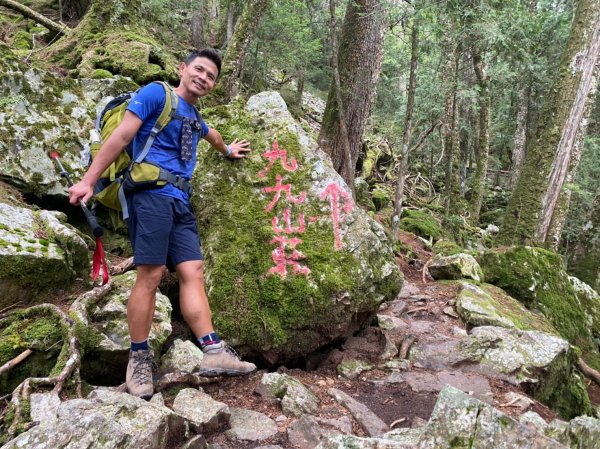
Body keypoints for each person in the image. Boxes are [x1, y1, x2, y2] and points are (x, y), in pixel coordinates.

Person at [69, 49, 256, 399]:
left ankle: (213, 351)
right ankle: (138, 359)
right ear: (182, 68)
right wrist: (88, 182)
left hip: (180, 202)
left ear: (213, 85)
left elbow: (210, 133)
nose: (203, 77)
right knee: (152, 274)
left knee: (193, 270)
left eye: (211, 76)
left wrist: (227, 149)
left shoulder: (195, 117)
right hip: (150, 195)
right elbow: (122, 137)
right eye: (198, 69)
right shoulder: (157, 93)